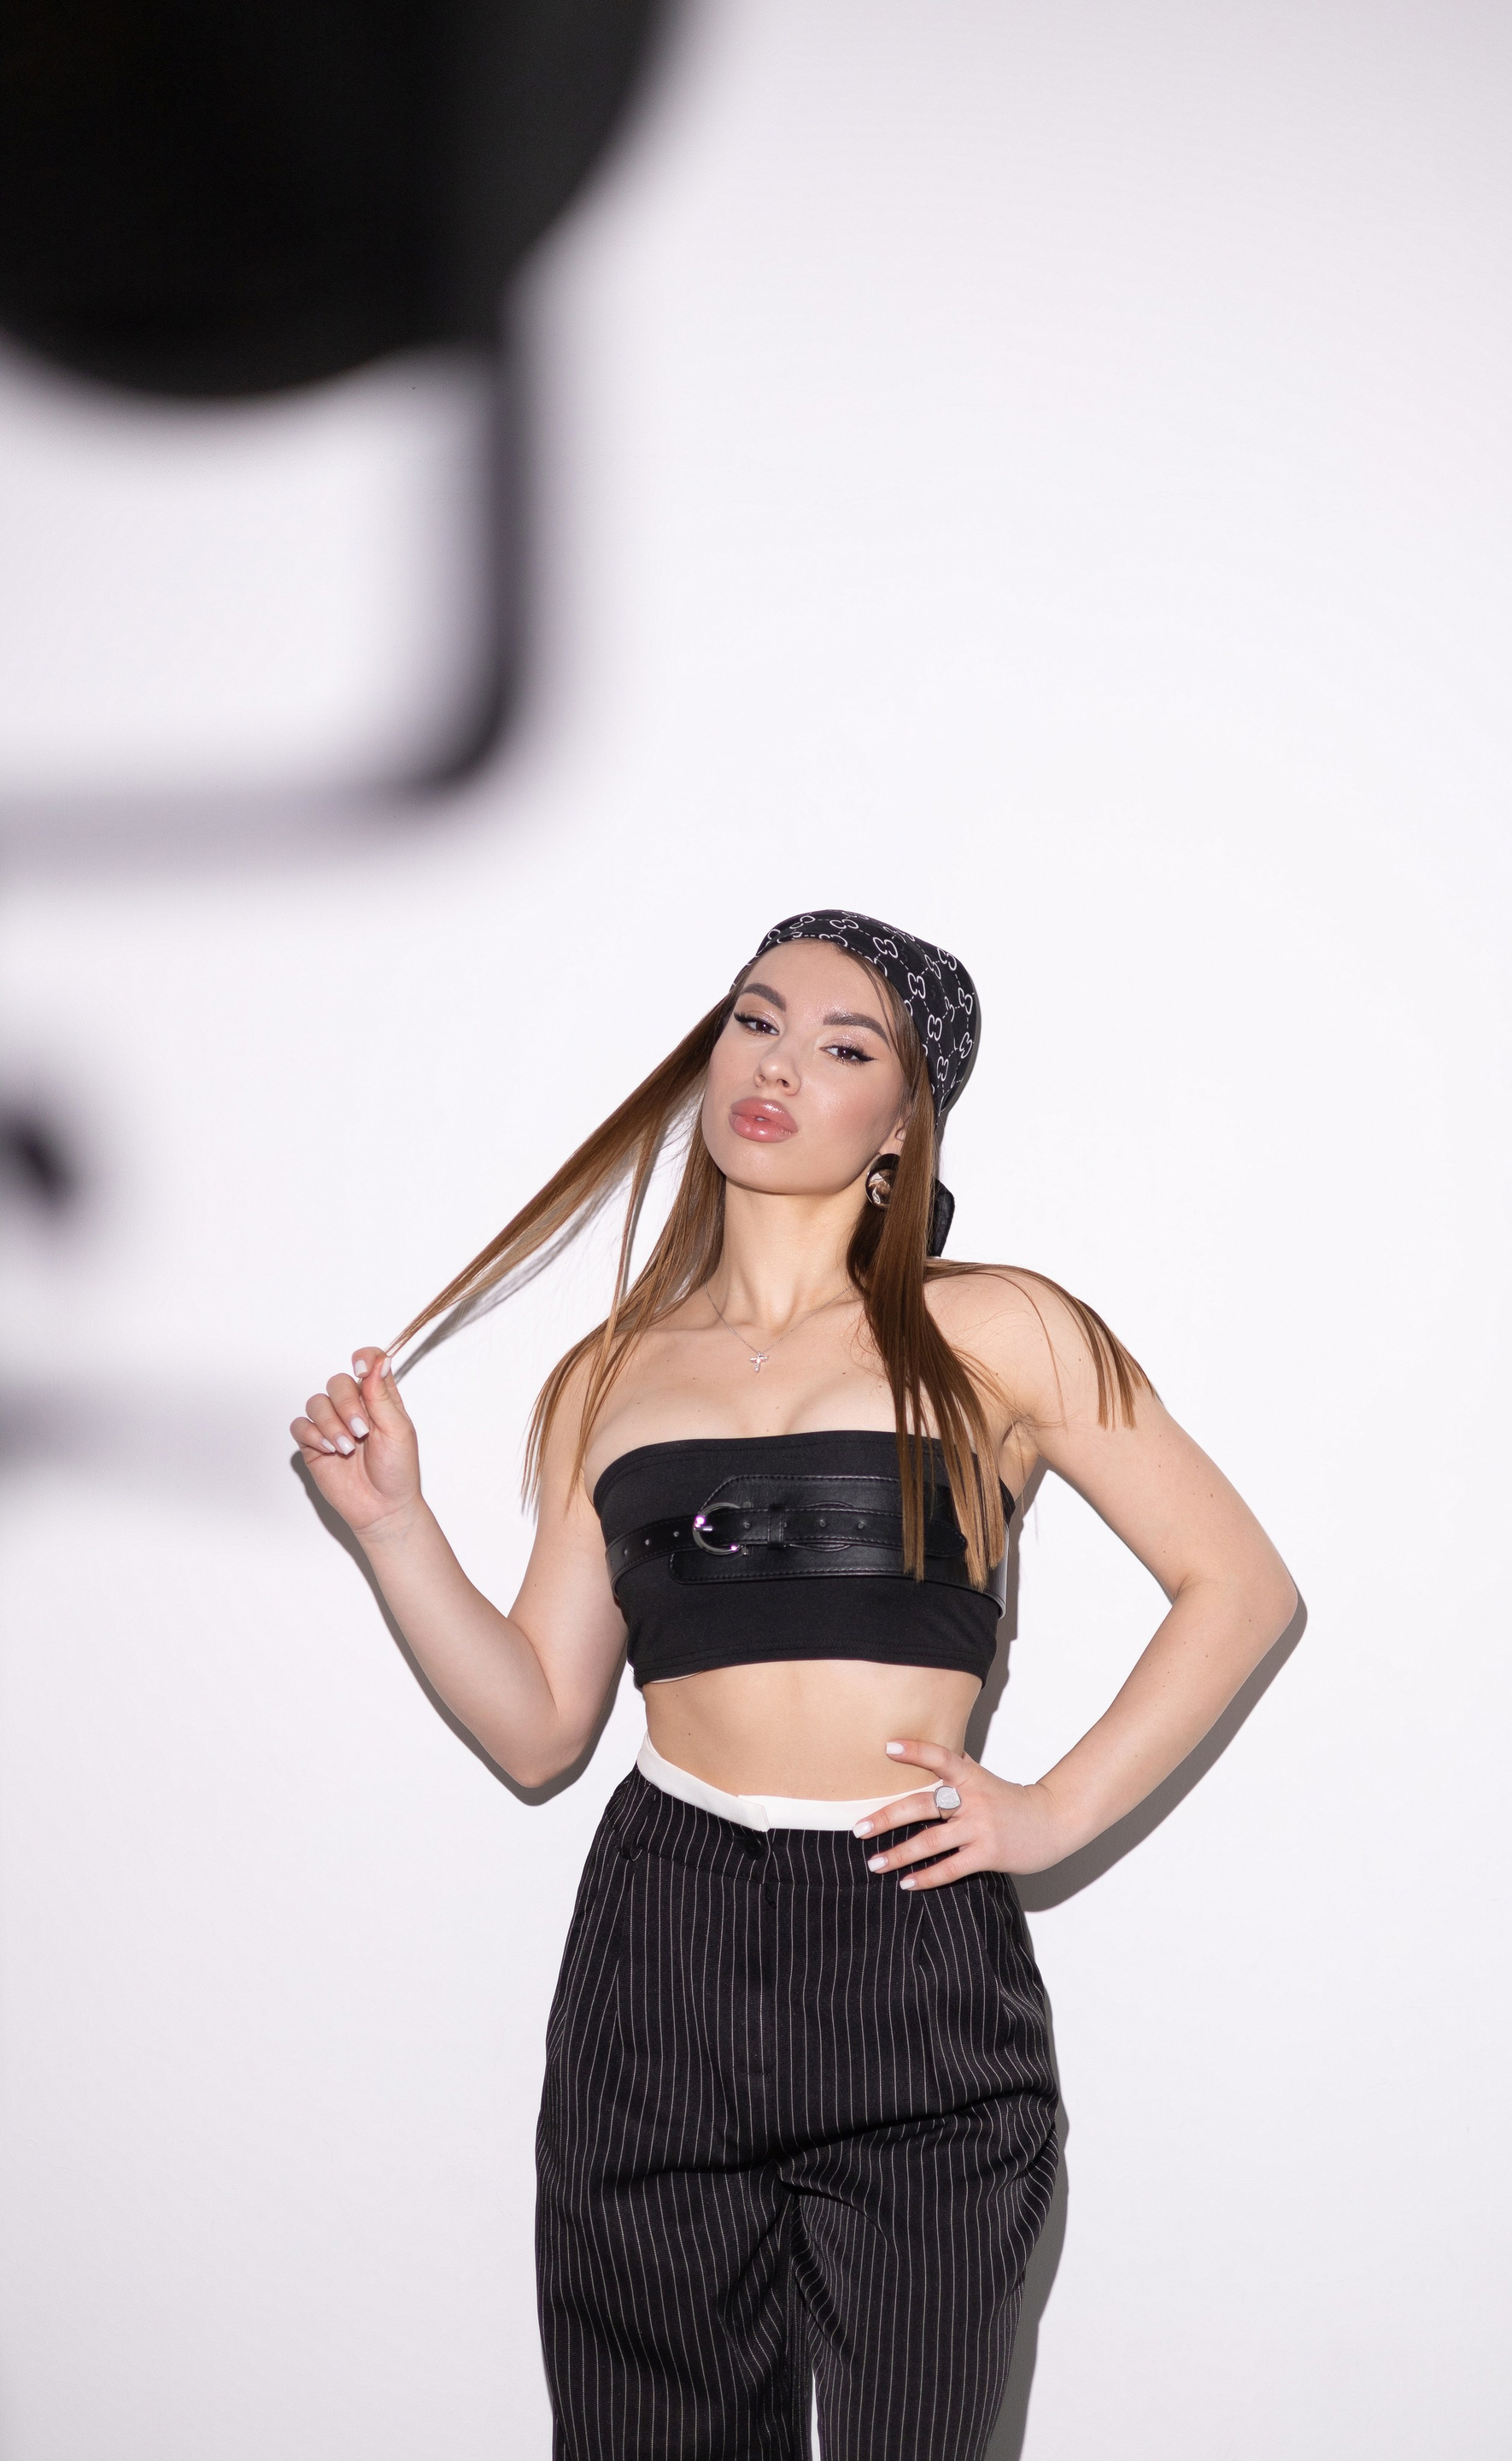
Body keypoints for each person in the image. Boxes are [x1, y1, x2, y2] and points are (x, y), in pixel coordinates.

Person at [292, 909, 1296, 2461]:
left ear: (902, 1125)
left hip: (912, 1948)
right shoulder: (611, 1375)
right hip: (662, 1942)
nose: (778, 1066)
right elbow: (540, 1724)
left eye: (843, 1047)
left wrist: (1052, 1812)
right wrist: (395, 1530)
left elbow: (1239, 1585)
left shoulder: (998, 1327)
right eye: (756, 1022)